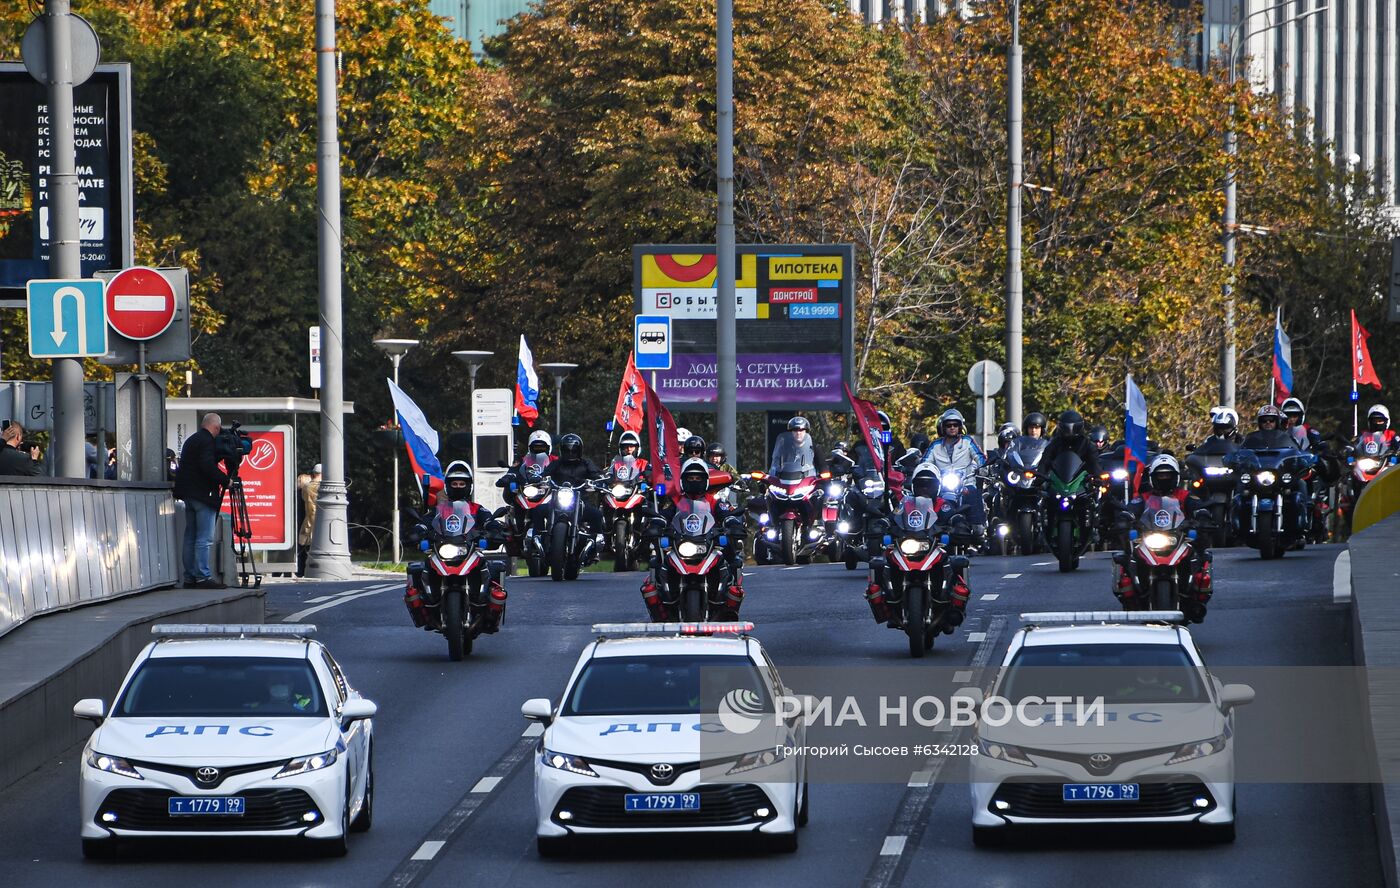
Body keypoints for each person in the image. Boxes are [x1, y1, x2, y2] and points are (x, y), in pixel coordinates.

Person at [639, 457, 746, 621]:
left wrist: (732, 522)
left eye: (698, 478)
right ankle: (661, 605)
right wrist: (656, 523)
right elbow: (665, 516)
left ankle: (730, 603)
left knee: (732, 560)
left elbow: (725, 513)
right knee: (657, 561)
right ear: (683, 480)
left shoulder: (713, 501)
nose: (694, 481)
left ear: (705, 480)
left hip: (708, 541)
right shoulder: (677, 502)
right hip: (682, 542)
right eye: (690, 478)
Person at [1111, 454, 1214, 622]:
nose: (1164, 479)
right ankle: (1132, 598)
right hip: (1150, 537)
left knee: (1201, 557)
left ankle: (1196, 596)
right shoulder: (1143, 497)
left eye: (1168, 475)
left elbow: (1197, 506)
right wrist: (1125, 516)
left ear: (1176, 477)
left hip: (1178, 538)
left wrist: (1202, 515)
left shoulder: (1184, 495)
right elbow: (1132, 509)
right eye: (1160, 475)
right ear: (1152, 478)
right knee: (1125, 559)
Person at [173, 413, 229, 589]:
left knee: (190, 536)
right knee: (204, 538)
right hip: (204, 495)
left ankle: (189, 577)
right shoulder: (207, 441)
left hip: (189, 495)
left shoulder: (192, 440)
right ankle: (203, 576)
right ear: (216, 428)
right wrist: (225, 479)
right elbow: (207, 466)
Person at [921, 408, 987, 532]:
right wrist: (922, 474)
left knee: (973, 493)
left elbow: (979, 457)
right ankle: (926, 528)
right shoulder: (935, 446)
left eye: (955, 425)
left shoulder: (968, 442)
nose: (952, 427)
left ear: (960, 427)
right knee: (926, 498)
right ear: (943, 427)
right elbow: (924, 464)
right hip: (941, 485)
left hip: (966, 483)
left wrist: (983, 468)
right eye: (948, 425)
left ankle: (978, 528)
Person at [543, 433, 605, 535]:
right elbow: (544, 474)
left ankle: (596, 542)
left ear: (579, 450)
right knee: (537, 511)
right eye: (567, 450)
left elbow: (597, 474)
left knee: (597, 514)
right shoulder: (556, 463)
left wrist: (600, 481)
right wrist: (539, 479)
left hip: (581, 502)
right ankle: (537, 539)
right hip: (557, 501)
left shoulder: (586, 463)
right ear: (562, 450)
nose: (570, 453)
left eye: (573, 450)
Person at [1038, 409, 1104, 480]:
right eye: (1067, 428)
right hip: (1057, 483)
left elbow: (1094, 463)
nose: (1070, 431)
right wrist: (1040, 476)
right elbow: (1045, 461)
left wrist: (1097, 478)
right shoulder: (1055, 443)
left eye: (1074, 428)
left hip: (1081, 484)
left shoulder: (1087, 444)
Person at [297, 464, 321, 576]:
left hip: (308, 519)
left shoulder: (306, 487)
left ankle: (301, 570)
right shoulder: (322, 487)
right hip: (320, 520)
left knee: (303, 546)